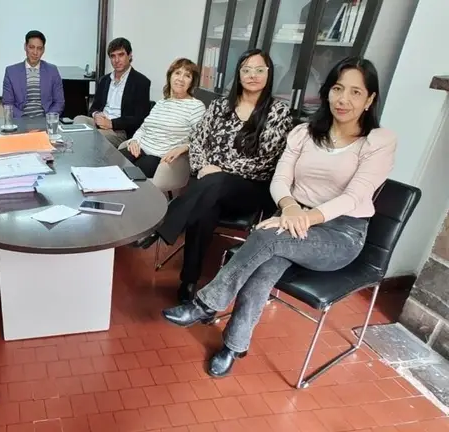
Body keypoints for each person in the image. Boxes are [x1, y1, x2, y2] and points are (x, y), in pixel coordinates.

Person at [162, 57, 395, 378]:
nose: (344, 99)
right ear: (327, 92)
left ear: (369, 99)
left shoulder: (379, 141)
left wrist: (301, 218)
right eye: (338, 89)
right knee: (263, 268)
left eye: (356, 92)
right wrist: (289, 208)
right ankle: (233, 346)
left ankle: (205, 304)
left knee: (267, 237)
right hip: (290, 219)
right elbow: (281, 178)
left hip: (338, 234)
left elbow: (355, 196)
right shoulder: (304, 133)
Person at [134, 49, 293, 304]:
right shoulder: (220, 106)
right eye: (246, 70)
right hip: (211, 185)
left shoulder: (278, 111)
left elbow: (267, 160)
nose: (252, 75)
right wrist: (203, 166)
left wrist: (220, 170)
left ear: (269, 73)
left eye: (259, 70)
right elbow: (197, 140)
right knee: (205, 206)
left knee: (213, 184)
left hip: (251, 188)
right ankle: (188, 283)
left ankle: (165, 225)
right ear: (238, 74)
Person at [118, 57, 206, 178]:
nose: (180, 79)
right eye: (177, 73)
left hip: (159, 159)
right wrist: (134, 141)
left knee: (126, 177)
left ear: (192, 82)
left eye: (187, 76)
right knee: (109, 164)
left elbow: (203, 139)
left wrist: (184, 148)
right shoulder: (162, 103)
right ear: (170, 76)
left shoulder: (196, 107)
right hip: (139, 149)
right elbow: (143, 128)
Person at [75, 37, 151, 147]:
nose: (116, 60)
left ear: (130, 56)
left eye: (121, 55)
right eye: (113, 56)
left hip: (119, 131)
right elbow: (94, 108)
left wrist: (111, 123)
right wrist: (96, 115)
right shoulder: (104, 80)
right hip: (99, 123)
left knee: (95, 137)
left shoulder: (141, 82)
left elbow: (140, 118)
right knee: (79, 120)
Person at [2, 30, 64, 118]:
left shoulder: (52, 71)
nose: (35, 52)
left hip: (45, 120)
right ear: (25, 47)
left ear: (43, 50)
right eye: (31, 47)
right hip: (21, 121)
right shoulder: (11, 72)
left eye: (39, 48)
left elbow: (59, 102)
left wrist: (49, 118)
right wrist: (24, 120)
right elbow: (7, 104)